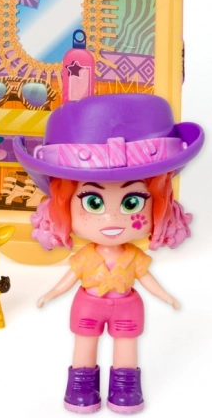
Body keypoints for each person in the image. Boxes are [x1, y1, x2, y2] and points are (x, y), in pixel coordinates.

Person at [14, 94, 204, 414]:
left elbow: (147, 280)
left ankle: (125, 389)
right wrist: (50, 293)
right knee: (84, 345)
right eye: (93, 202)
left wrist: (167, 296)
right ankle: (80, 388)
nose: (112, 219)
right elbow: (68, 279)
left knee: (126, 347)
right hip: (88, 303)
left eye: (132, 202)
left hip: (127, 306)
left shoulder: (133, 258)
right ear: (64, 205)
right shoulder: (87, 257)